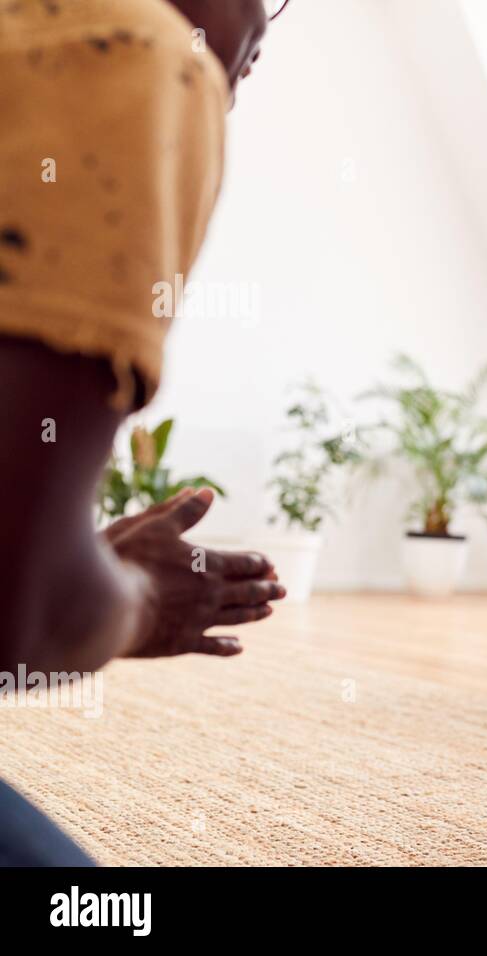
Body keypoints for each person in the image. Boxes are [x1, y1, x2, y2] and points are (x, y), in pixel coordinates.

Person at [0, 0, 289, 866]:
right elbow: (21, 615)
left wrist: (55, 541)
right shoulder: (131, 54)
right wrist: (142, 598)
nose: (269, 26)